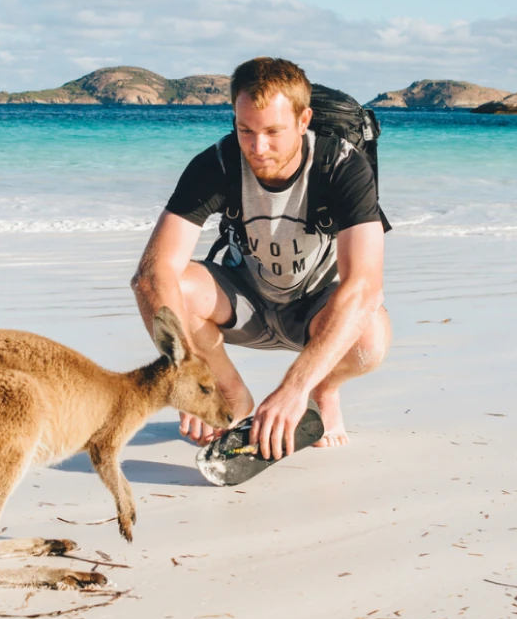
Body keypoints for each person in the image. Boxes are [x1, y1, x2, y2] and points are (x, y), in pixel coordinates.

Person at [130, 56, 391, 461]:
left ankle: (324, 388)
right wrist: (190, 376)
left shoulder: (341, 166)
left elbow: (365, 285)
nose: (257, 147)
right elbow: (151, 275)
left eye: (273, 131)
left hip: (315, 312)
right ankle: (230, 392)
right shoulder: (217, 162)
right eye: (245, 129)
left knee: (371, 335)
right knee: (174, 286)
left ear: (304, 120)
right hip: (244, 300)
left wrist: (295, 388)